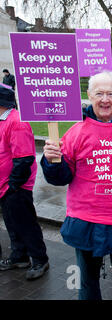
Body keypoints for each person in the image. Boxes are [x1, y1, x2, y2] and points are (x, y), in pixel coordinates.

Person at [41, 72, 112, 300]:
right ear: (89, 95)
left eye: (110, 93)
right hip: (85, 221)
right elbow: (60, 178)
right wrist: (52, 161)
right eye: (99, 93)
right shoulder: (76, 132)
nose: (105, 99)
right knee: (87, 282)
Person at [0, 83, 49, 280]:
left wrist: (13, 185)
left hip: (15, 186)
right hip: (5, 185)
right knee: (12, 223)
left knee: (25, 224)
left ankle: (40, 259)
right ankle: (19, 256)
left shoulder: (17, 121)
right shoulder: (4, 119)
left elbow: (24, 158)